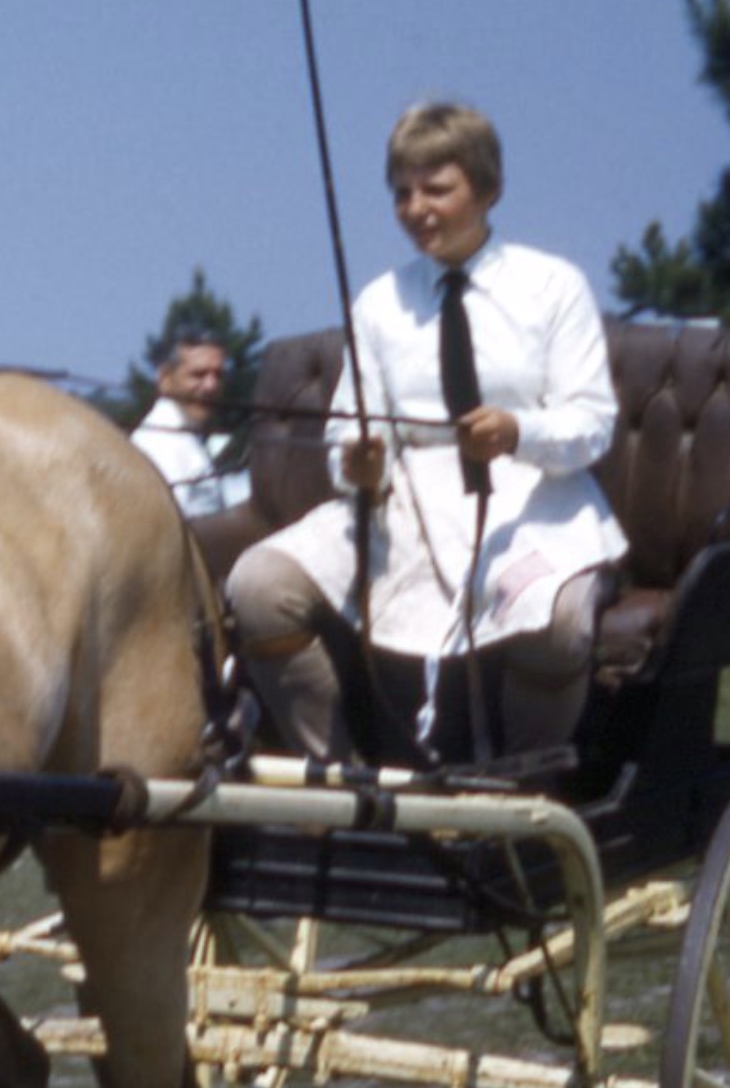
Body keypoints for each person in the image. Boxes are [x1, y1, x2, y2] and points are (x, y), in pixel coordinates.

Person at [227, 101, 622, 765]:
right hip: (401, 509)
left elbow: (593, 421)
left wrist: (517, 429)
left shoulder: (553, 286)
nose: (416, 209)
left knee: (556, 625)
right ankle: (342, 775)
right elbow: (349, 427)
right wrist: (359, 463)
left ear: (488, 188)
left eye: (436, 189)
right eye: (401, 193)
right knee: (257, 587)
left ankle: (524, 784)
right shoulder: (380, 303)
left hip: (532, 501)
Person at [130, 330, 248, 518]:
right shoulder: (159, 444)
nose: (211, 386)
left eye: (218, 375)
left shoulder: (187, 437)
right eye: (198, 375)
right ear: (165, 380)